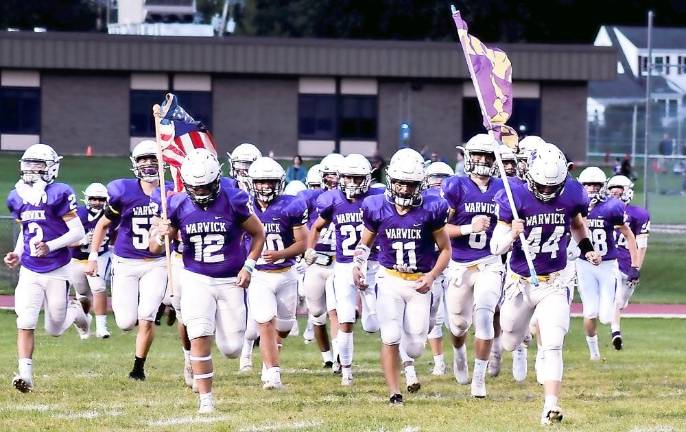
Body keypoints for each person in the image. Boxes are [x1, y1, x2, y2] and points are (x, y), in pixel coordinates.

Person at [490, 142, 601, 425]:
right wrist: (512, 235)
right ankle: (525, 337)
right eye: (544, 186)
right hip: (520, 282)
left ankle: (550, 406)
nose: (548, 192)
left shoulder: (573, 193)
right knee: (508, 340)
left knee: (553, 342)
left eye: (554, 186)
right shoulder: (513, 196)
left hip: (555, 279)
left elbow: (576, 223)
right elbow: (495, 249)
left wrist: (586, 246)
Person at [151, 149, 265, 413]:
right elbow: (156, 248)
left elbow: (258, 234)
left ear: (216, 181)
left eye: (205, 187)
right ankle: (206, 400)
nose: (200, 192)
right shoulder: (176, 203)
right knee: (199, 334)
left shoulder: (234, 199)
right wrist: (162, 235)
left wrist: (249, 265)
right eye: (195, 187)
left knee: (232, 349)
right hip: (195, 278)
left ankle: (207, 367)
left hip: (230, 281)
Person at [353, 150, 451, 405]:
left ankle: (409, 364)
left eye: (410, 184)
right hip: (390, 279)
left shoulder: (432, 207)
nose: (404, 189)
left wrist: (431, 276)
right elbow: (364, 244)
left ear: (420, 185)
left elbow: (446, 250)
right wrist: (358, 266)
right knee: (390, 336)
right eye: (399, 182)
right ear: (390, 180)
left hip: (419, 281)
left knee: (416, 346)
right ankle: (394, 392)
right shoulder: (376, 206)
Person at [5, 143, 89, 393]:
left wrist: (50, 246)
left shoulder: (60, 192)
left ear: (51, 168)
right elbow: (25, 231)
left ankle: (75, 310)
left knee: (54, 329)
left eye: (38, 164)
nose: (32, 169)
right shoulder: (16, 196)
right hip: (30, 269)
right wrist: (18, 253)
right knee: (26, 320)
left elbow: (79, 233)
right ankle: (26, 376)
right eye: (28, 163)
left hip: (57, 268)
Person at [86, 140, 172, 381]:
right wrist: (93, 256)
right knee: (125, 322)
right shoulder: (123, 191)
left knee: (146, 316)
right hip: (125, 262)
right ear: (135, 164)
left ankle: (138, 368)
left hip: (156, 263)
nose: (148, 164)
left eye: (153, 159)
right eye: (143, 160)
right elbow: (103, 224)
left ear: (162, 162)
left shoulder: (169, 192)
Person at [305, 154, 384, 386]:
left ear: (367, 179)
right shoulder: (332, 200)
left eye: (356, 178)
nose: (351, 183)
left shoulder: (377, 198)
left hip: (372, 264)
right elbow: (317, 226)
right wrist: (310, 248)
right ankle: (346, 371)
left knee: (373, 324)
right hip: (343, 265)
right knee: (346, 317)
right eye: (347, 177)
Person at [442, 134, 505, 398]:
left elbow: (512, 220)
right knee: (458, 326)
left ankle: (478, 380)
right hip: (459, 265)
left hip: (489, 262)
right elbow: (440, 229)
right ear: (468, 157)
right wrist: (469, 227)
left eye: (487, 156)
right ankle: (459, 353)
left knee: (485, 313)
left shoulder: (504, 188)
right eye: (477, 155)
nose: (482, 160)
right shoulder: (455, 186)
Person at [247, 156, 308, 389]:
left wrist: (280, 254)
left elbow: (302, 243)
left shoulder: (290, 205)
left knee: (283, 326)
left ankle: (268, 361)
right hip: (259, 274)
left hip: (285, 273)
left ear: (279, 183)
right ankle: (273, 373)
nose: (265, 186)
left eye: (269, 182)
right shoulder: (244, 206)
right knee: (265, 323)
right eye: (261, 182)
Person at [576, 167, 639, 361]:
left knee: (605, 316)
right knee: (589, 311)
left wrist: (635, 265)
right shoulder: (575, 207)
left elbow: (628, 235)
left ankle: (602, 340)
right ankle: (594, 353)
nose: (592, 188)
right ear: (581, 185)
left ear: (603, 186)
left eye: (596, 185)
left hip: (608, 264)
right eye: (588, 184)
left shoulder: (612, 207)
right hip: (584, 264)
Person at [301, 155, 345, 371]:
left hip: (339, 262)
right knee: (317, 314)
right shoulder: (310, 198)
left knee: (336, 310)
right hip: (317, 262)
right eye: (329, 175)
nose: (333, 180)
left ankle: (338, 358)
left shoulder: (351, 200)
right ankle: (327, 356)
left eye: (336, 175)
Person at [607, 175, 649, 349]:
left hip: (628, 261)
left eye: (619, 188)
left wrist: (636, 267)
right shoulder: (603, 210)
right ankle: (615, 331)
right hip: (610, 259)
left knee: (621, 302)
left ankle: (614, 325)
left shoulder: (639, 214)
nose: (615, 191)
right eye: (612, 188)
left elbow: (642, 245)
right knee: (615, 300)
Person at [68, 182, 112, 339]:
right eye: (93, 199)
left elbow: (116, 236)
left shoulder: (110, 215)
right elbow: (63, 239)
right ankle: (84, 320)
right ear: (87, 199)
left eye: (100, 199)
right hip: (77, 258)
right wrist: (81, 241)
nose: (97, 202)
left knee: (98, 287)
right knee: (83, 296)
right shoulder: (77, 214)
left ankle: (102, 327)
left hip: (100, 256)